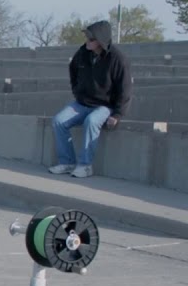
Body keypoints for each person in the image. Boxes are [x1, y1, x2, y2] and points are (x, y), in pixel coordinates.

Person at [48, 20, 132, 178]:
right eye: (87, 38)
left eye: (91, 39)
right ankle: (67, 162)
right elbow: (72, 71)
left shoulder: (118, 59)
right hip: (82, 103)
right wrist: (77, 91)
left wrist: (117, 114)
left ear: (101, 41)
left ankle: (85, 166)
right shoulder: (82, 53)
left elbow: (125, 88)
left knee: (92, 121)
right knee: (58, 121)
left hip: (105, 106)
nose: (87, 42)